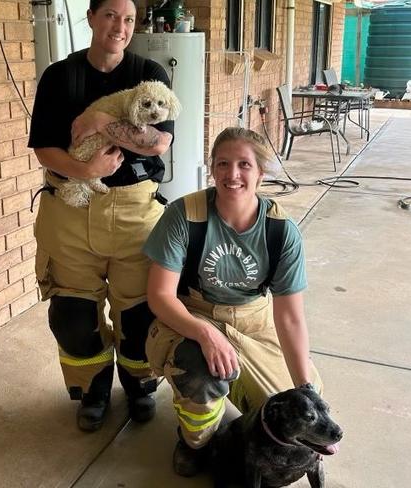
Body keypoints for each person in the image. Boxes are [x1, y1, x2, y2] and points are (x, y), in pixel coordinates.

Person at [28, 0, 174, 432]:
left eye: (129, 19)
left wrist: (98, 120)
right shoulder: (60, 76)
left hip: (134, 211)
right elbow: (44, 147)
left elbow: (157, 142)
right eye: (110, 15)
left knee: (141, 314)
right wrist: (87, 170)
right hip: (70, 208)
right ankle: (92, 389)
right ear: (90, 17)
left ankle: (139, 386)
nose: (120, 27)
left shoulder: (150, 76)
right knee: (71, 317)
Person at [143, 127, 323, 476]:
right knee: (199, 372)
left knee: (290, 418)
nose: (232, 174)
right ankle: (196, 441)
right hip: (192, 313)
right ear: (212, 168)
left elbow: (289, 318)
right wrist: (205, 335)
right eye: (223, 163)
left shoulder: (280, 231)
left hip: (253, 320)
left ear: (261, 172)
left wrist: (305, 389)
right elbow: (160, 295)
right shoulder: (185, 215)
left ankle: (243, 386)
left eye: (244, 164)